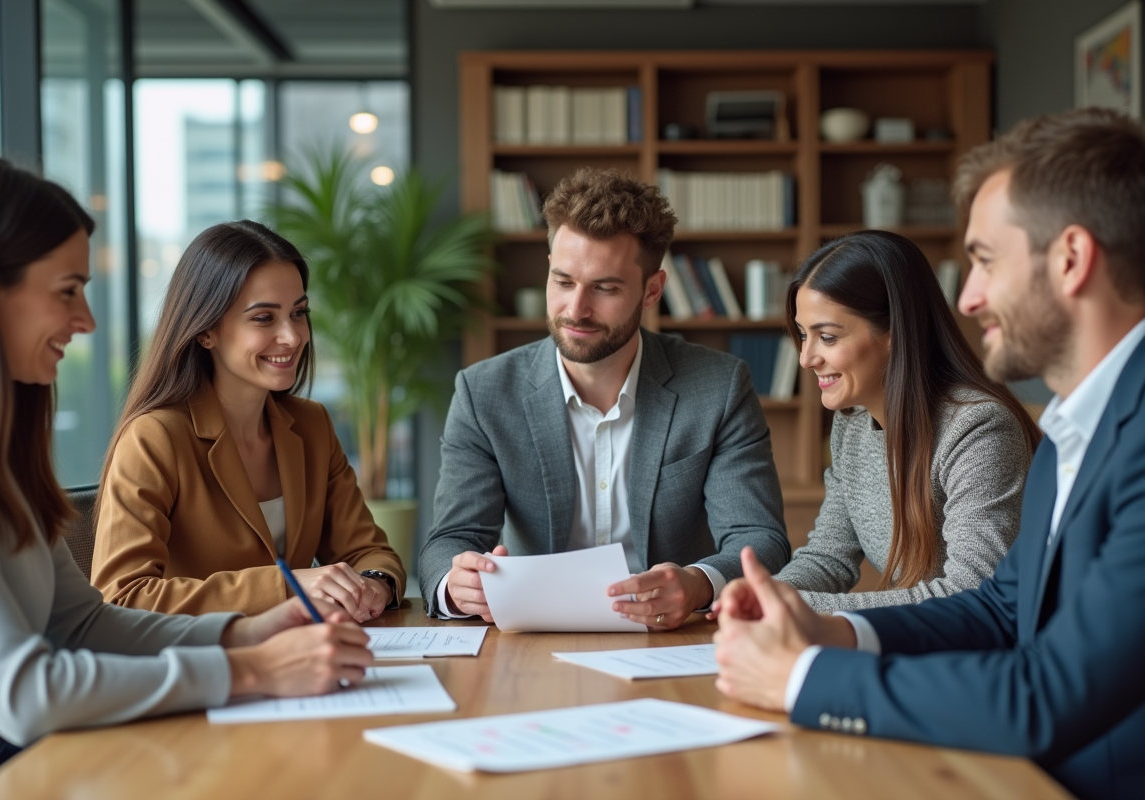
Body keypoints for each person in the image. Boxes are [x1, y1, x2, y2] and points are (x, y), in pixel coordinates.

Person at [712, 108, 1145, 800]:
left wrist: (801, 676)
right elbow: (1000, 611)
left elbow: (1047, 692)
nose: (968, 298)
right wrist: (829, 627)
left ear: (1070, 258)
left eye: (984, 261)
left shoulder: (1097, 433)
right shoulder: (1074, 426)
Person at [0, 156, 372, 798]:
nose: (86, 320)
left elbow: (83, 625)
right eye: (67, 291)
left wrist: (246, 630)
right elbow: (26, 694)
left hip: (32, 748)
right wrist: (249, 669)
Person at [419, 168, 790, 629]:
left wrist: (698, 582)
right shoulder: (484, 392)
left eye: (605, 288)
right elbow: (450, 541)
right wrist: (456, 586)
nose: (576, 310)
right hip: (533, 639)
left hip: (670, 638)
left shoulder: (719, 386)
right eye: (563, 281)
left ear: (652, 290)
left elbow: (760, 539)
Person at [91, 221, 405, 620]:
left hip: (307, 660)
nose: (292, 336)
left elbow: (367, 551)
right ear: (206, 331)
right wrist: (288, 587)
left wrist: (373, 584)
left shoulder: (311, 426)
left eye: (299, 313)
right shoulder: (155, 438)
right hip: (203, 669)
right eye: (263, 318)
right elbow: (122, 596)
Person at [759, 230, 1039, 612]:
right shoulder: (852, 425)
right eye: (803, 335)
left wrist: (802, 609)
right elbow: (828, 557)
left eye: (826, 337)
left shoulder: (979, 429)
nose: (806, 358)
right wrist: (764, 596)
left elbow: (972, 593)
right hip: (920, 647)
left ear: (894, 332)